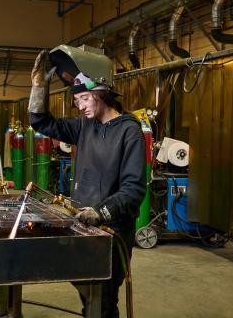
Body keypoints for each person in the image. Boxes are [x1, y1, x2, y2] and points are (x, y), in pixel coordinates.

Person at [28, 45, 146, 317]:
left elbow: (134, 189)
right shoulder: (84, 126)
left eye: (84, 99)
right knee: (87, 296)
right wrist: (38, 87)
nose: (80, 106)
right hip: (82, 224)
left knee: (103, 301)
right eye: (78, 100)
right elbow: (41, 123)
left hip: (112, 231)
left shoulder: (129, 132)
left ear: (101, 93)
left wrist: (101, 212)